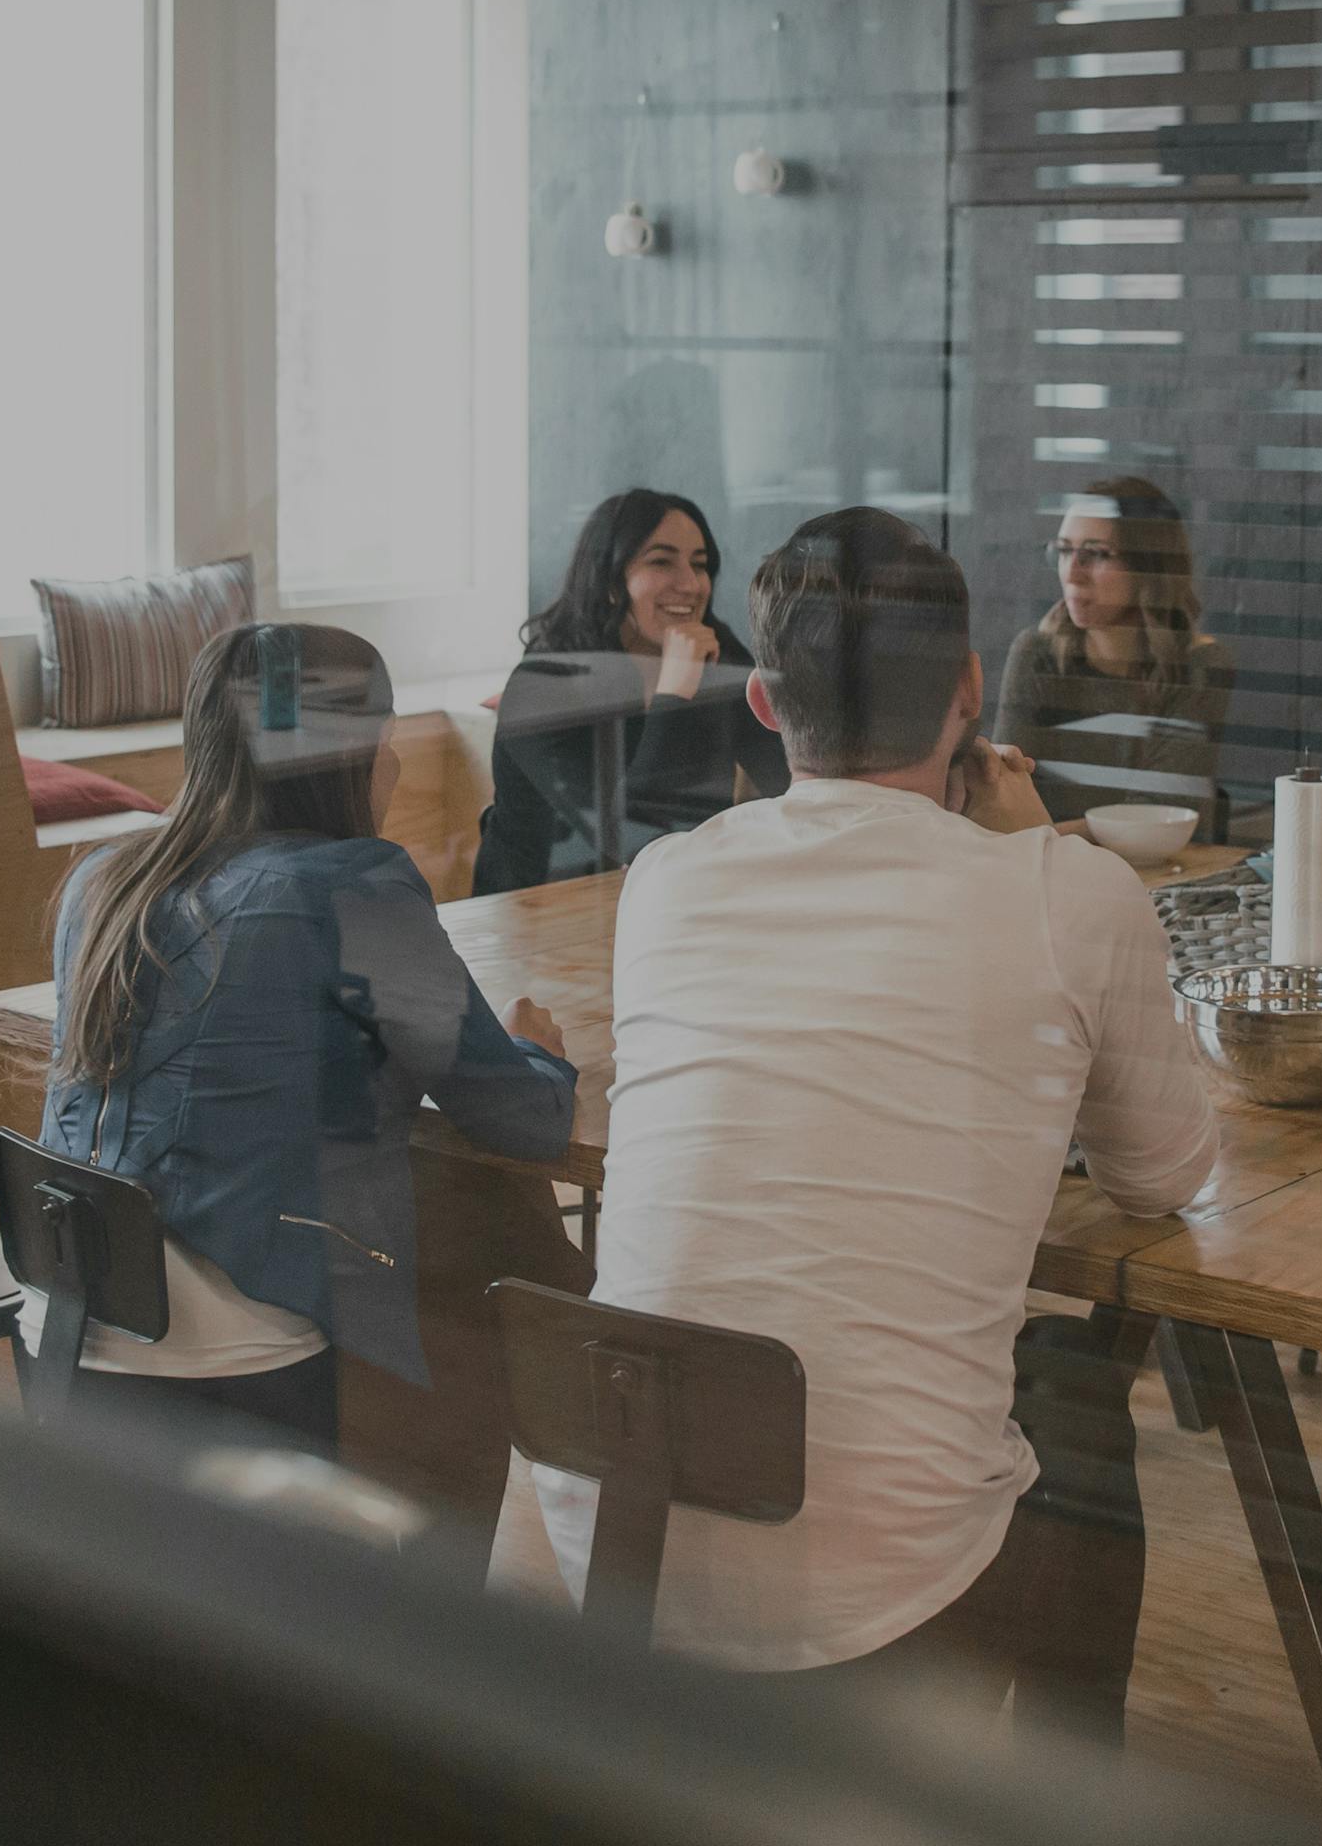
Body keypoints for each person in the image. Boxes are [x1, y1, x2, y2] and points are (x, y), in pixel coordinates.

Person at [537, 506, 1218, 1741]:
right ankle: (1070, 1792)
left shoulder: (668, 882)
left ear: (760, 702)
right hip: (878, 1587)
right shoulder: (1070, 892)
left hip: (613, 1532)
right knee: (1075, 1401)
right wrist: (1038, 851)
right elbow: (1164, 1176)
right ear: (970, 692)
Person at [35, 624, 579, 1462]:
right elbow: (522, 1120)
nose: (393, 764)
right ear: (350, 755)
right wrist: (540, 1049)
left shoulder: (98, 884)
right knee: (489, 1252)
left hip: (72, 1330)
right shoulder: (352, 889)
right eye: (388, 739)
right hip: (238, 1357)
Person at [473, 490, 791, 895]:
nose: (691, 585)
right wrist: (675, 693)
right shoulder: (543, 683)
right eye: (661, 562)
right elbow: (628, 838)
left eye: (700, 565)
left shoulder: (717, 654)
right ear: (609, 581)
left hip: (674, 896)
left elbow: (791, 778)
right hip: (539, 910)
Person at [992, 476, 1238, 828]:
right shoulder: (1037, 653)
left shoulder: (1200, 665)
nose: (1072, 573)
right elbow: (1003, 794)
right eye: (1064, 551)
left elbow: (1161, 812)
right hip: (1048, 868)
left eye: (1095, 554)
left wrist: (1040, 836)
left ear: (1147, 567)